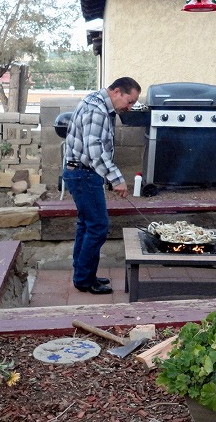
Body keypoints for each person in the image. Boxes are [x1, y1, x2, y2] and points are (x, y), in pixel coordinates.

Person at [62, 77, 141, 294]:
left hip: (81, 173)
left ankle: (82, 276)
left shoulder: (97, 103)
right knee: (98, 227)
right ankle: (85, 280)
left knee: (87, 225)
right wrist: (116, 179)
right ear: (117, 91)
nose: (130, 107)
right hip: (83, 174)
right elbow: (94, 151)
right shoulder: (96, 109)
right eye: (130, 101)